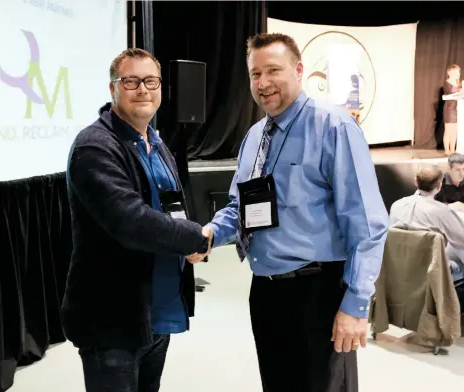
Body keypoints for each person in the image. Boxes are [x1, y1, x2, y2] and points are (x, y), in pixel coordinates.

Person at [188, 33, 389, 392]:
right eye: (254, 74)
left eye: (273, 71)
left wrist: (357, 304)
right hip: (265, 294)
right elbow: (241, 207)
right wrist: (209, 234)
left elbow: (367, 223)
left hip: (318, 294)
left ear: (298, 70)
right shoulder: (253, 137)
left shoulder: (334, 127)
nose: (263, 83)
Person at [61, 48, 211, 392]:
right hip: (113, 320)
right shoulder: (94, 147)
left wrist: (185, 241)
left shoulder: (156, 143)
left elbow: (171, 209)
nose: (142, 89)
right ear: (113, 89)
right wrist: (194, 238)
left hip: (156, 314)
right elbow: (130, 221)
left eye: (150, 81)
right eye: (131, 81)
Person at [389, 165, 464, 310]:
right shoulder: (441, 212)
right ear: (439, 185)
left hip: (400, 272)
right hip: (432, 275)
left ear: (415, 181)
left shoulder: (396, 206)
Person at [442, 64, 462, 156]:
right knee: (448, 131)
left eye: (458, 71)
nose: (458, 73)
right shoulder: (447, 82)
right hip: (449, 108)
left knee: (454, 131)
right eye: (456, 71)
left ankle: (452, 150)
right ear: (449, 72)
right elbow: (450, 93)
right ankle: (447, 151)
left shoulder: (459, 84)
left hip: (457, 108)